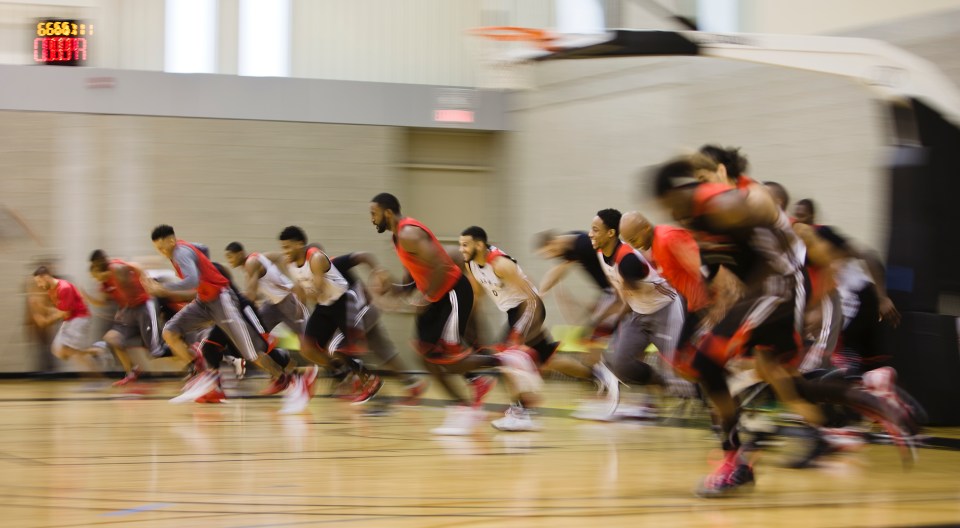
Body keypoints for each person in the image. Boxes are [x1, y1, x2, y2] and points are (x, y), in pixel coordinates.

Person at [653, 155, 916, 497]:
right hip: (769, 294)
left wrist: (815, 302)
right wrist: (718, 306)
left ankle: (736, 461)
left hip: (780, 290)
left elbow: (793, 241)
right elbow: (724, 270)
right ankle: (868, 397)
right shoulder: (701, 218)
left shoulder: (736, 199)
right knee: (788, 385)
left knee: (706, 362)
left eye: (705, 176)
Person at [369, 193, 540, 435]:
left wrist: (425, 298)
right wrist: (392, 289)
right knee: (425, 354)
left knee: (449, 357)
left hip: (453, 293)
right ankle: (464, 403)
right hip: (437, 297)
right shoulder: (399, 237)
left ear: (387, 212)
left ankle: (505, 362)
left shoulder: (409, 233)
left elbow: (440, 265)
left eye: (374, 213)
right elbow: (415, 277)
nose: (372, 219)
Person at [143, 225, 310, 405]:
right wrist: (203, 262)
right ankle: (199, 373)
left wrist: (163, 289)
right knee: (170, 331)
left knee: (251, 352)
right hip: (204, 301)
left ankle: (288, 378)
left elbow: (192, 281)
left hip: (223, 301)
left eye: (162, 248)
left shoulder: (181, 252)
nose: (161, 252)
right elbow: (202, 249)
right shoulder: (185, 250)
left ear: (171, 241)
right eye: (158, 249)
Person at [585, 209, 686, 419]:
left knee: (682, 370)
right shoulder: (601, 254)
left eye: (595, 229)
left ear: (611, 233)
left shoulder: (628, 260)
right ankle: (660, 384)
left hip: (665, 310)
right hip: (638, 313)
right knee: (621, 365)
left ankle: (709, 399)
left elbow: (628, 296)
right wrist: (601, 322)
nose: (590, 234)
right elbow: (621, 295)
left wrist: (607, 323)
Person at [459, 226, 555, 431]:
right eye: (460, 245)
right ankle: (596, 373)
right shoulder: (470, 264)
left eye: (465, 245)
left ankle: (522, 412)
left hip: (529, 307)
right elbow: (477, 295)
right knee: (549, 358)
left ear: (479, 245)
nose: (461, 249)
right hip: (513, 312)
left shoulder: (501, 264)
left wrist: (522, 330)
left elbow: (531, 298)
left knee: (508, 356)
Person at [86, 250, 163, 386]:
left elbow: (136, 267)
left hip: (144, 305)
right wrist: (86, 297)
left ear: (99, 268)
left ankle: (191, 356)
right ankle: (131, 373)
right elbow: (103, 301)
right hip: (129, 310)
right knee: (112, 338)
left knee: (155, 351)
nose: (96, 280)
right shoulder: (105, 283)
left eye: (95, 276)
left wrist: (147, 281)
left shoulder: (116, 268)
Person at [31, 266, 103, 372]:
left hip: (79, 318)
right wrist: (42, 308)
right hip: (70, 319)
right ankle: (94, 351)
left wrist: (46, 321)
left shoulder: (64, 288)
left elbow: (64, 313)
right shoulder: (51, 291)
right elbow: (60, 311)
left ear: (46, 277)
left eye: (39, 281)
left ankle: (96, 371)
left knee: (71, 351)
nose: (39, 285)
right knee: (58, 351)